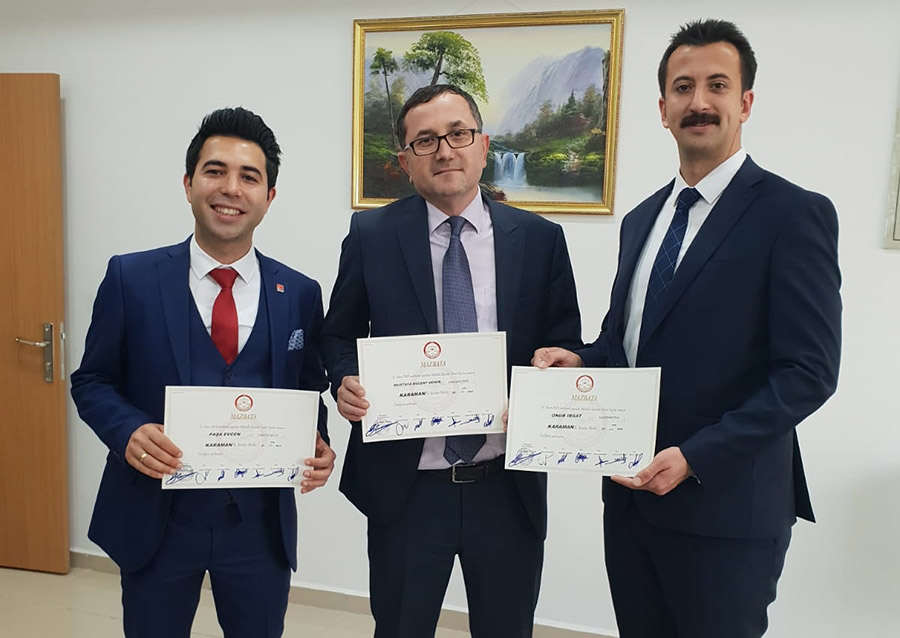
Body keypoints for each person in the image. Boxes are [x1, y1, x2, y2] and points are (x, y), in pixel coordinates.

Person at [534, 19, 842, 638]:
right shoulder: (642, 219)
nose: (699, 102)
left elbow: (809, 373)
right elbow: (626, 342)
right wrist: (583, 362)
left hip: (726, 512)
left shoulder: (793, 213)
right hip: (630, 503)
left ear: (745, 102)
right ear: (663, 109)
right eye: (683, 87)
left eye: (717, 85)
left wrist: (696, 457)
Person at [322, 84, 582, 637]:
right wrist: (345, 378)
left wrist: (560, 368)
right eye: (425, 140)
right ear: (405, 162)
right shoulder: (371, 235)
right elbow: (339, 334)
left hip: (506, 487)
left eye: (458, 134)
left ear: (483, 146)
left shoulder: (541, 239)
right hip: (407, 488)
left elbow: (565, 341)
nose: (444, 151)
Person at [71, 107, 336, 638]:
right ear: (189, 184)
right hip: (155, 518)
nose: (231, 188)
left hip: (259, 525)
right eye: (215, 171)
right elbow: (91, 380)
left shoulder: (300, 292)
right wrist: (128, 431)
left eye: (249, 176)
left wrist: (320, 439)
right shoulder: (130, 277)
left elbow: (309, 388)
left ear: (269, 197)